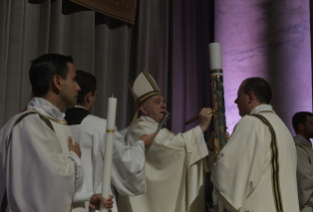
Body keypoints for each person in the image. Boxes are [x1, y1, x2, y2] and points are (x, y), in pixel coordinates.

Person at [0, 54, 113, 212]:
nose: (78, 88)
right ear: (57, 82)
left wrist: (85, 199)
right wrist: (74, 158)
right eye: (74, 80)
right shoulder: (29, 124)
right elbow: (44, 190)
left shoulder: (52, 121)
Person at [118, 71, 216, 212]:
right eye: (157, 102)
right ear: (144, 109)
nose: (164, 105)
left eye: (163, 101)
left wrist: (210, 147)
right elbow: (171, 147)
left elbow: (184, 155)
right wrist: (201, 128)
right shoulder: (139, 129)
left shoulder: (159, 130)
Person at [64, 70, 156, 212]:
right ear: (89, 97)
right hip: (97, 203)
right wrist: (140, 144)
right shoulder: (102, 128)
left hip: (63, 203)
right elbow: (127, 164)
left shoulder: (56, 124)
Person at [210, 77, 299, 212]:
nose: (235, 101)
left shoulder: (251, 123)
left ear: (250, 96)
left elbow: (227, 175)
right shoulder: (282, 127)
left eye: (238, 95)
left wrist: (218, 153)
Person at [293, 111, 313, 211]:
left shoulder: (307, 147)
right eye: (312, 123)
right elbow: (306, 184)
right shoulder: (298, 149)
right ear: (301, 127)